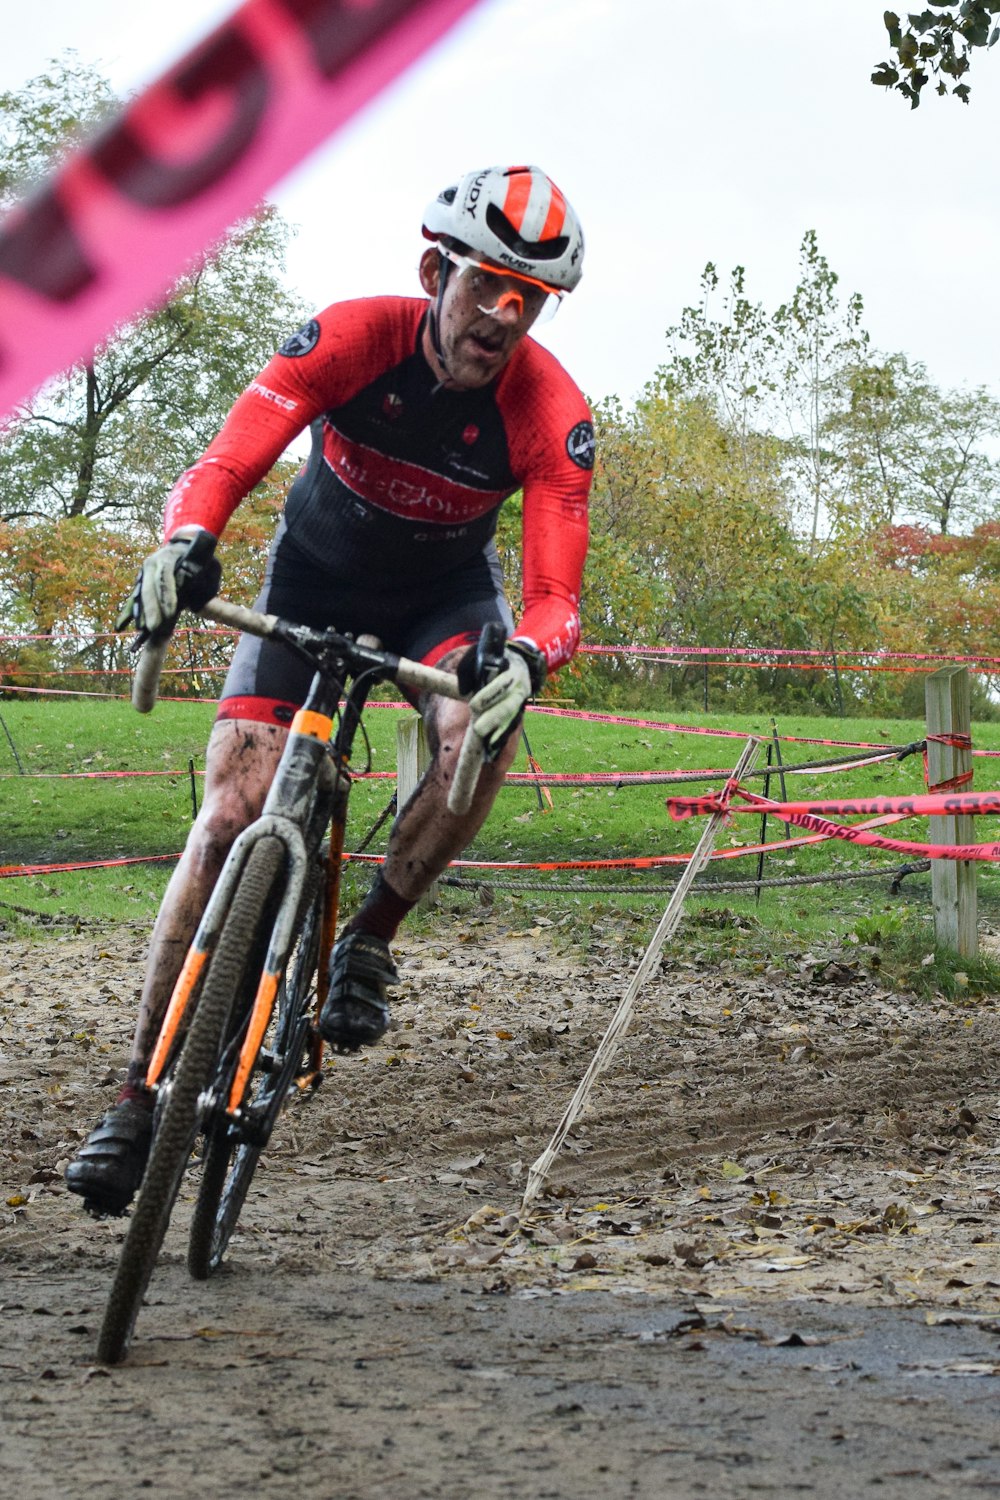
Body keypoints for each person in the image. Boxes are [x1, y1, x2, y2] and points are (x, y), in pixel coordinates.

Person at [66, 164, 594, 1217]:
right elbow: (226, 460)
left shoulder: (550, 409)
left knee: (478, 727)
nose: (503, 315)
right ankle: (135, 1094)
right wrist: (187, 541)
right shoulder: (352, 337)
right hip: (310, 582)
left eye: (527, 300)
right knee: (224, 819)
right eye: (487, 284)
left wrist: (529, 656)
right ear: (433, 270)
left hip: (441, 602)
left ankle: (368, 939)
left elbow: (551, 592)